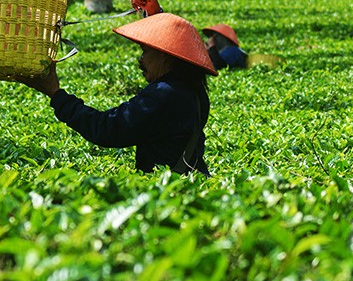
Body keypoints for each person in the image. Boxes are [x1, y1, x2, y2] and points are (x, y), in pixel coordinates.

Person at [19, 10, 218, 175]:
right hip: (193, 182)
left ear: (166, 57)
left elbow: (107, 129)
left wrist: (56, 94)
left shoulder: (164, 95)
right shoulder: (193, 90)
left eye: (145, 52)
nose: (141, 60)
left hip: (172, 191)